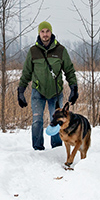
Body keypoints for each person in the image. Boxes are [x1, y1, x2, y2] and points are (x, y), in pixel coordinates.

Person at [17, 21, 78, 150]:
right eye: (42, 31)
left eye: (47, 31)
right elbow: (27, 72)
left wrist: (74, 87)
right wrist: (20, 91)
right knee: (37, 121)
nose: (45, 34)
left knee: (56, 120)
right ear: (39, 33)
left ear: (51, 32)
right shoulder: (33, 51)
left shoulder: (60, 50)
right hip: (38, 92)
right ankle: (37, 149)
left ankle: (56, 149)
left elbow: (69, 70)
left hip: (55, 92)